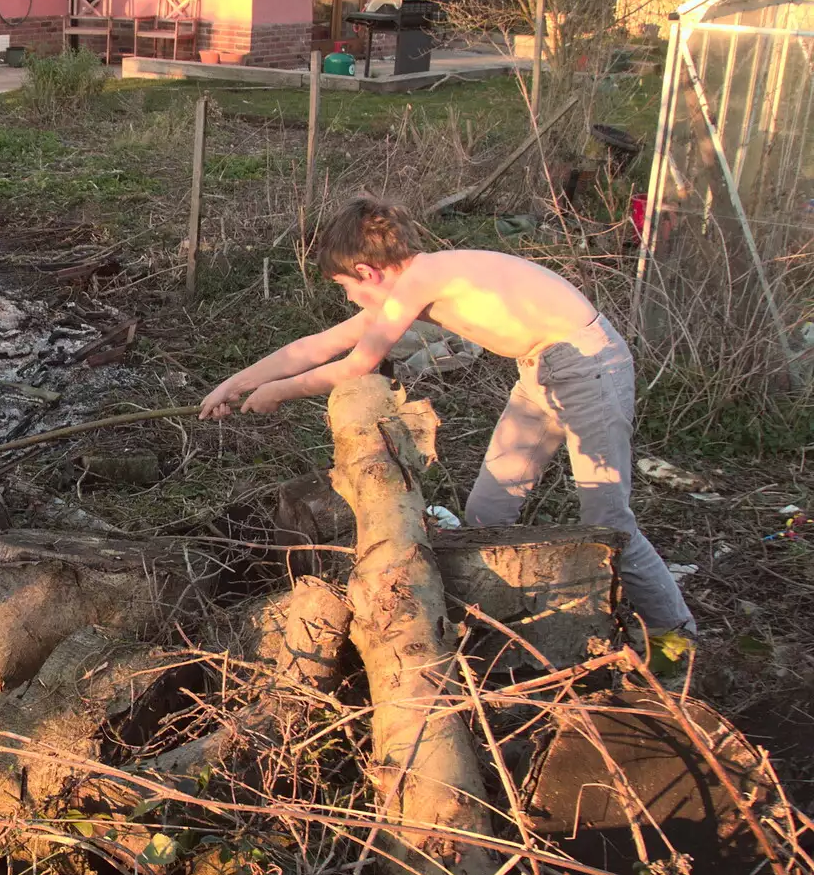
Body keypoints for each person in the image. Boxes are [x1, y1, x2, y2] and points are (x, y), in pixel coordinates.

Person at [198, 194, 695, 643]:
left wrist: (277, 394)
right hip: (541, 369)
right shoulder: (411, 285)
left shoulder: (421, 278)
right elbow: (316, 347)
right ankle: (494, 626)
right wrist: (235, 384)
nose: (349, 300)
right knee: (486, 516)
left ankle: (679, 635)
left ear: (369, 272)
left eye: (346, 287)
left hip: (587, 367)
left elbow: (357, 364)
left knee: (608, 520)